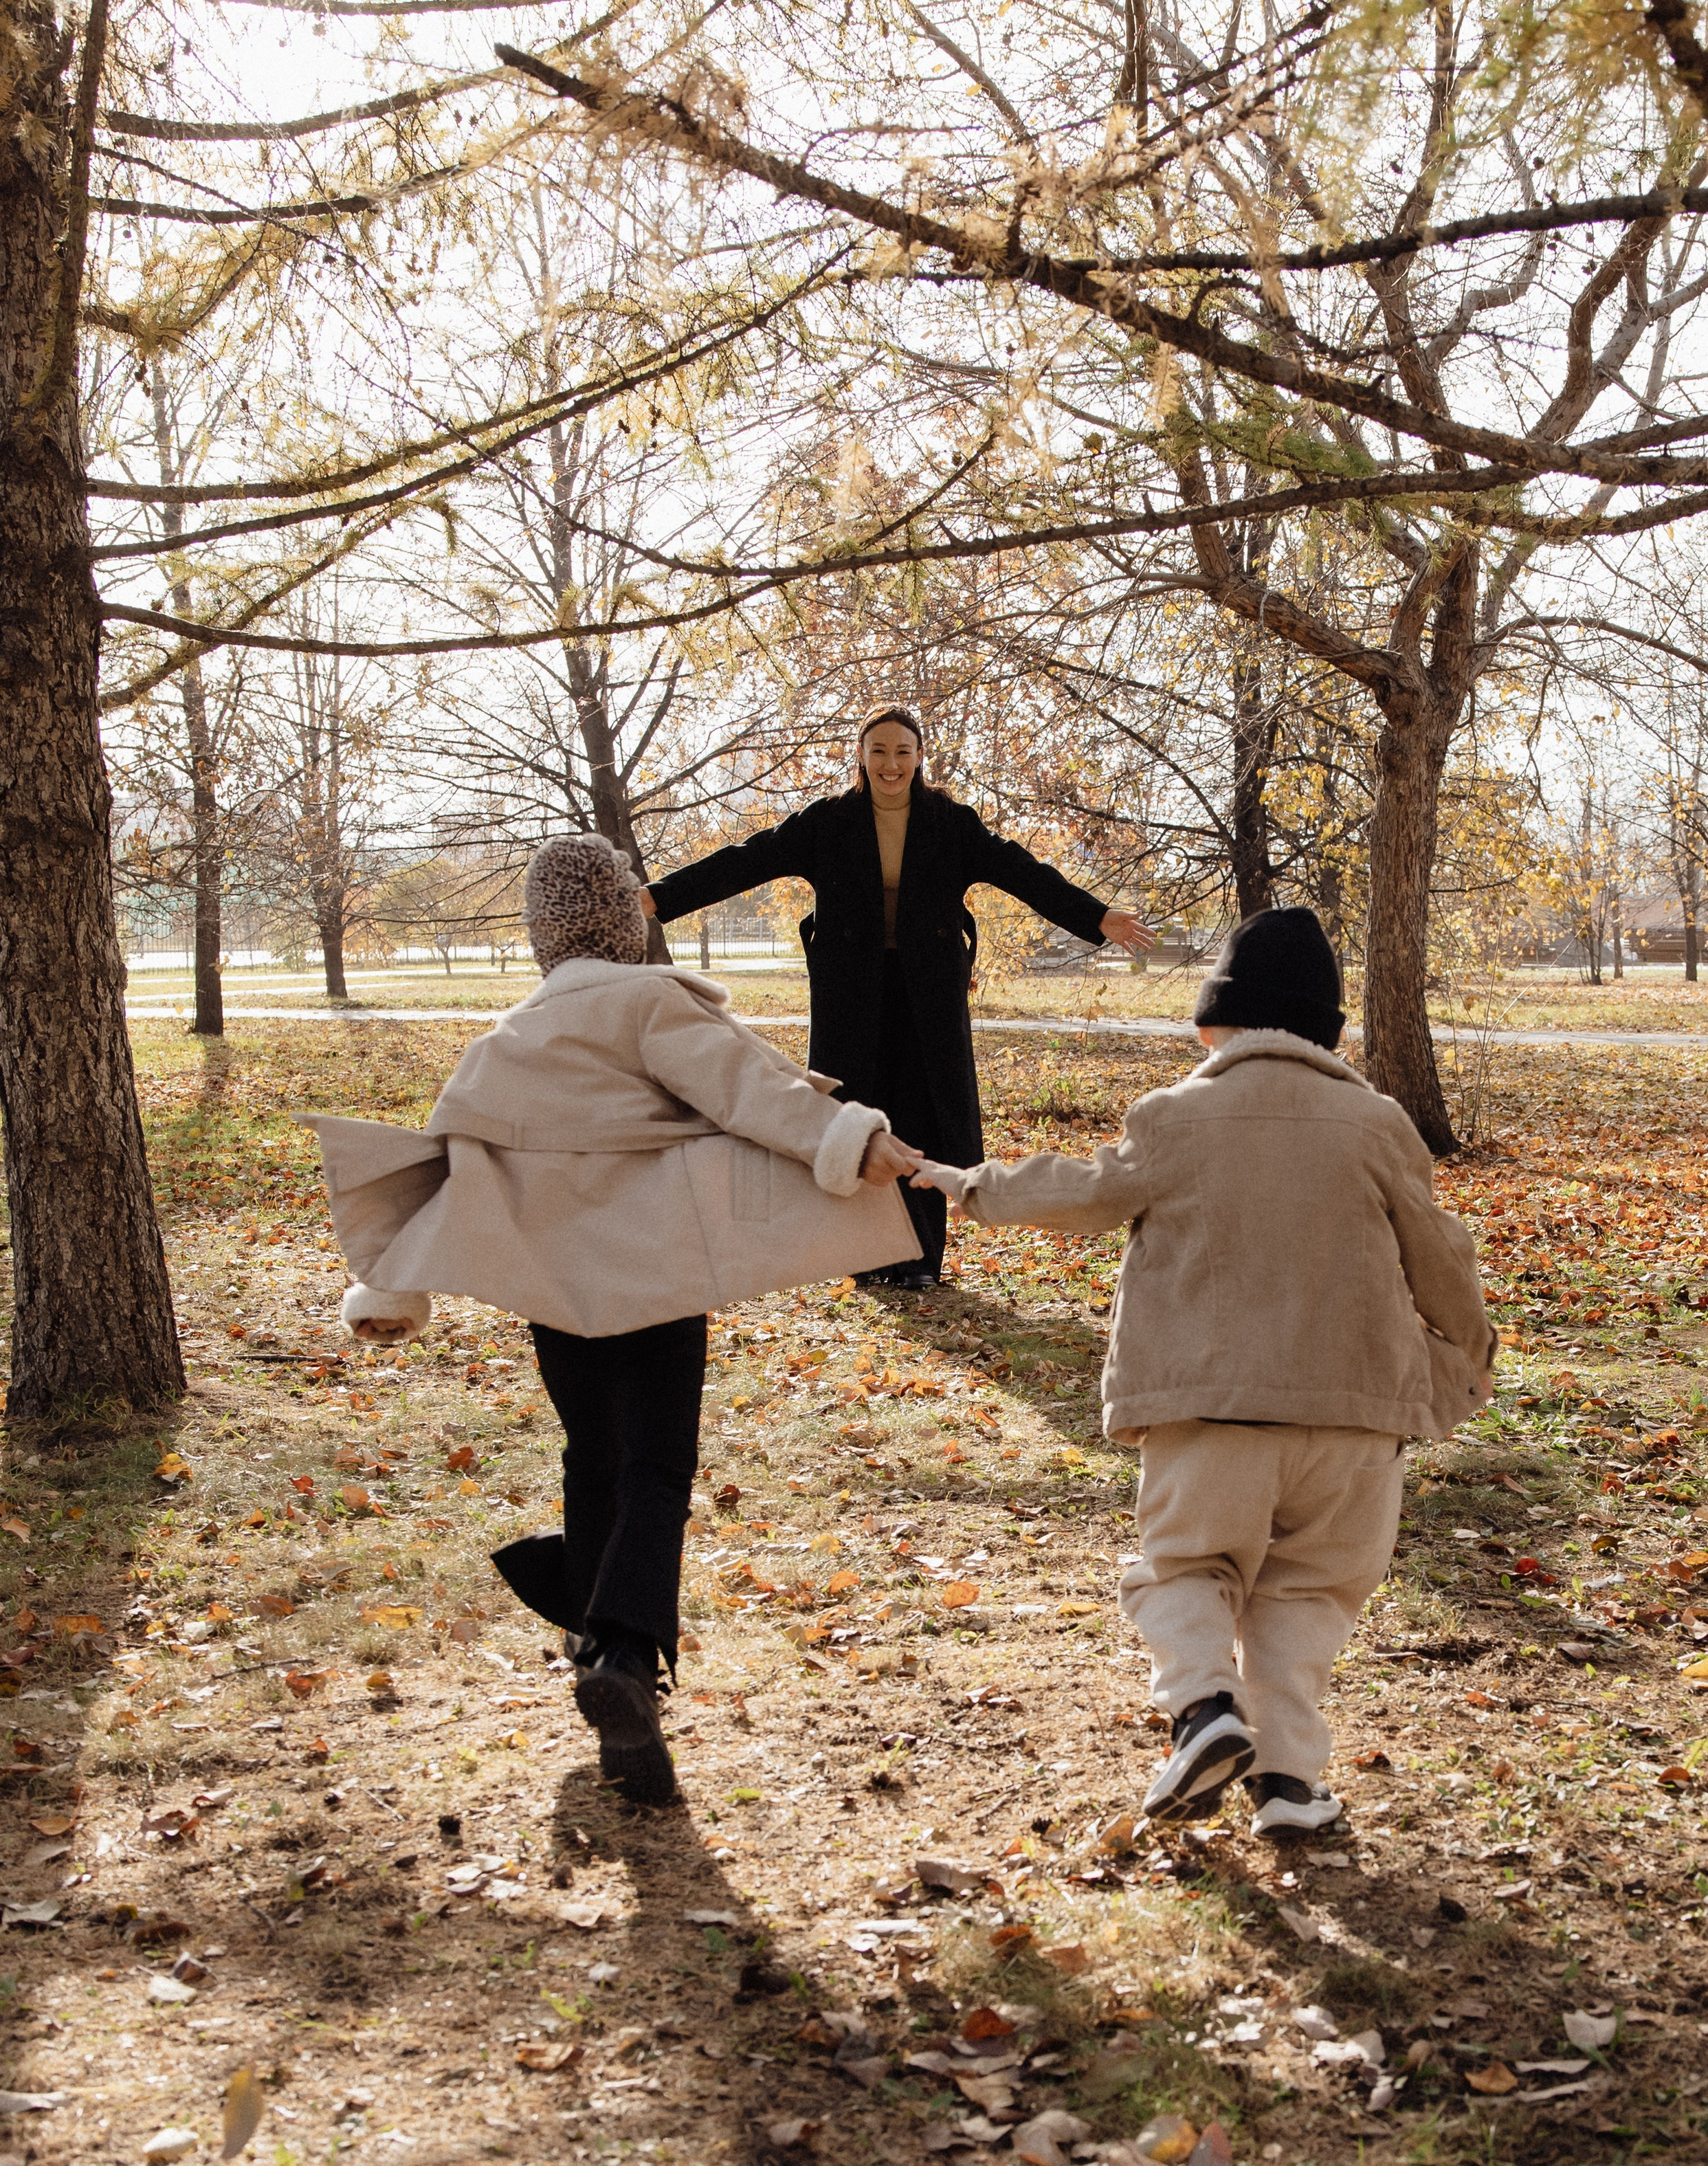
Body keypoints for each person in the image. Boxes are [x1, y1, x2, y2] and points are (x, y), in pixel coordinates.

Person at [309, 833, 921, 1806]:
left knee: (593, 1455)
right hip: (657, 1275)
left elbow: (443, 1166)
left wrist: (392, 1289)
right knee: (656, 1464)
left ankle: (592, 1640)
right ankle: (625, 1653)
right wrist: (858, 1139)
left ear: (542, 937)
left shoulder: (506, 1041)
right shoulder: (651, 1005)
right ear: (631, 915)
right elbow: (753, 1093)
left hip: (557, 1292)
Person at [910, 906, 1496, 1835]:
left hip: (1209, 1405)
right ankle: (1290, 1787)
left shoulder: (1178, 1115)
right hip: (1356, 1418)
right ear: (1326, 1034)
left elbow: (1086, 1189)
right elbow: (1442, 1258)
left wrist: (968, 1183)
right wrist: (1465, 1366)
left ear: (1213, 1026)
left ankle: (1203, 1710)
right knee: (1306, 1597)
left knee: (1183, 1569)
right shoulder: (1380, 1124)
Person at [643, 703, 1155, 1289]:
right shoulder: (827, 821)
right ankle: (864, 1256)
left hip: (928, 990)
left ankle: (918, 1260)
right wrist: (658, 898)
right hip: (850, 991)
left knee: (923, 1113)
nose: (891, 763)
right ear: (861, 755)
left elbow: (1022, 871)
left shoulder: (949, 821)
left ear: (918, 758)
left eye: (903, 752)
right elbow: (744, 862)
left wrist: (1097, 916)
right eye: (880, 750)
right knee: (858, 1111)